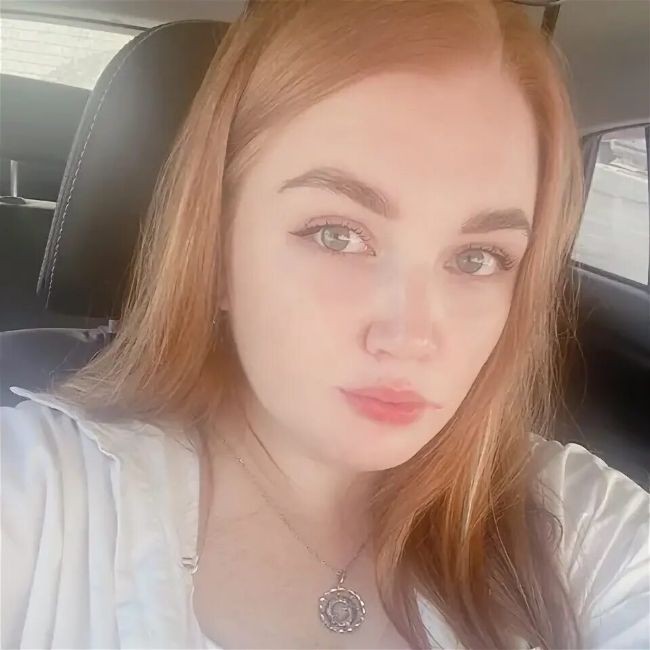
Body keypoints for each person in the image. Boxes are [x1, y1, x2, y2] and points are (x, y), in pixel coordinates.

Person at [2, 1, 648, 648]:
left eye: (478, 258)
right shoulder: (37, 497)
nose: (411, 337)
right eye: (337, 235)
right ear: (217, 252)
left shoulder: (581, 529)